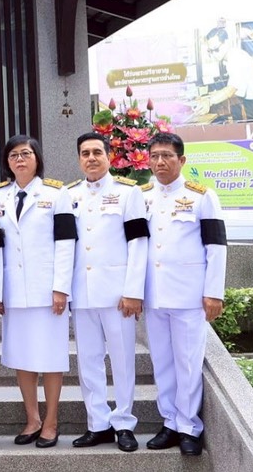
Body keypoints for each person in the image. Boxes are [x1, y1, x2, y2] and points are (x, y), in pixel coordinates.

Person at [143, 133, 227, 457]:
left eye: (166, 156)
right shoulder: (142, 196)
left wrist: (213, 292)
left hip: (190, 294)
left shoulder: (202, 196)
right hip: (153, 294)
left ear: (182, 160)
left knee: (188, 362)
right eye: (154, 156)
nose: (160, 162)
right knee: (162, 362)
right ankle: (169, 422)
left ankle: (189, 426)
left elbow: (216, 246)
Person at [0, 134, 75, 448]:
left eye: (26, 153)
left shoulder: (57, 193)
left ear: (37, 157)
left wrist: (61, 288)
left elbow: (66, 244)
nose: (20, 159)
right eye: (13, 155)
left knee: (51, 359)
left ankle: (51, 421)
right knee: (22, 357)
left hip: (47, 291)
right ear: (7, 162)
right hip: (13, 292)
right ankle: (32, 418)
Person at [67, 133, 147, 453]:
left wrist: (133, 290)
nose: (91, 158)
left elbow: (138, 243)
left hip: (118, 294)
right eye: (85, 153)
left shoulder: (128, 193)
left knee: (123, 359)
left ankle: (124, 421)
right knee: (88, 361)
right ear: (79, 158)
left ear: (109, 156)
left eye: (97, 152)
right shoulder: (69, 194)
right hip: (81, 292)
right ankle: (97, 423)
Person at [195, 26, 253, 122]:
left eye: (216, 49)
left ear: (226, 42)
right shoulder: (232, 57)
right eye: (210, 51)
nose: (213, 54)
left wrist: (209, 101)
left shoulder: (235, 58)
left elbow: (231, 89)